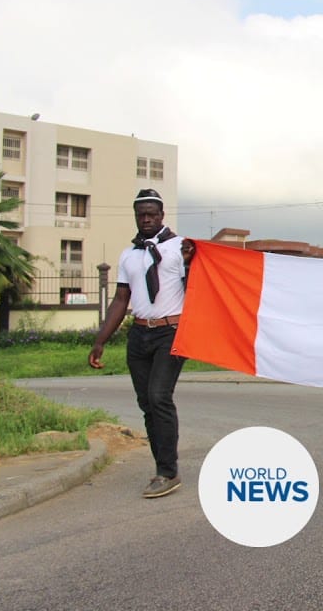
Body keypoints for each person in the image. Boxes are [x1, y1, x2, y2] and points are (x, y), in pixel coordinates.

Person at [88, 189, 196, 499]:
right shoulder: (129, 255)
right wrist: (100, 341)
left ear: (162, 215)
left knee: (159, 396)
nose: (146, 219)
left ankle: (168, 472)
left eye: (152, 214)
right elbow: (120, 299)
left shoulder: (182, 247)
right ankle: (162, 466)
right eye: (141, 214)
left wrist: (190, 264)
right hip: (138, 335)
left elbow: (198, 289)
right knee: (147, 403)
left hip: (170, 332)